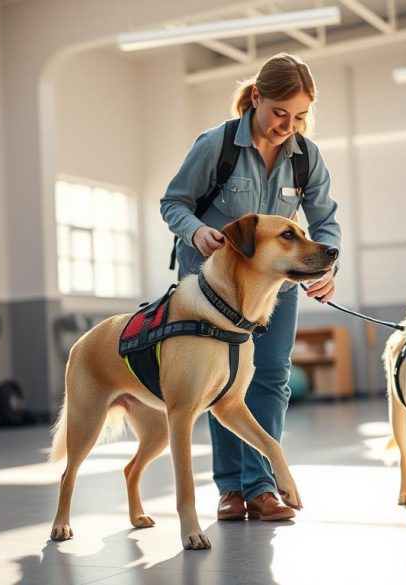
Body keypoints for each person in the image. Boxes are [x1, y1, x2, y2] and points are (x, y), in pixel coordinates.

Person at [160, 53, 342, 521]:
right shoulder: (216, 144)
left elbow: (325, 220)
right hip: (211, 289)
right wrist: (195, 231)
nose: (288, 126)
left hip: (273, 289)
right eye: (280, 113)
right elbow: (174, 202)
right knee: (218, 384)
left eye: (299, 116)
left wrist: (326, 269)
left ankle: (261, 487)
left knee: (272, 376)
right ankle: (230, 489)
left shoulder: (306, 158)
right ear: (256, 97)